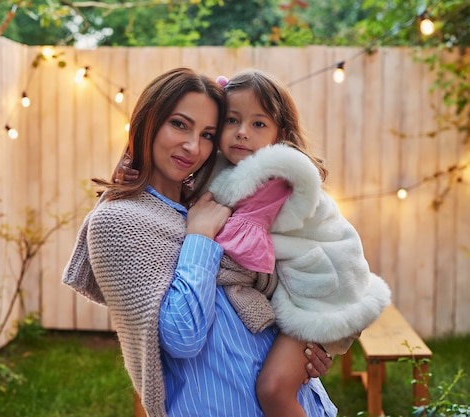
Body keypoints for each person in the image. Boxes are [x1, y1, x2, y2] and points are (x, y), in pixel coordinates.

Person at [62, 67, 338, 417]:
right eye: (179, 124)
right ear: (148, 122)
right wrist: (199, 237)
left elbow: (277, 282)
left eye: (208, 134)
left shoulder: (214, 199)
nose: (193, 147)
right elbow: (182, 336)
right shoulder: (119, 221)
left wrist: (309, 348)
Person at [204, 69, 392, 417]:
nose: (242, 132)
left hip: (324, 293)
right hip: (311, 283)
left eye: (258, 124)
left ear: (281, 134)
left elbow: (242, 247)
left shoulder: (275, 175)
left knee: (274, 389)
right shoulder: (229, 169)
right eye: (232, 119)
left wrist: (198, 239)